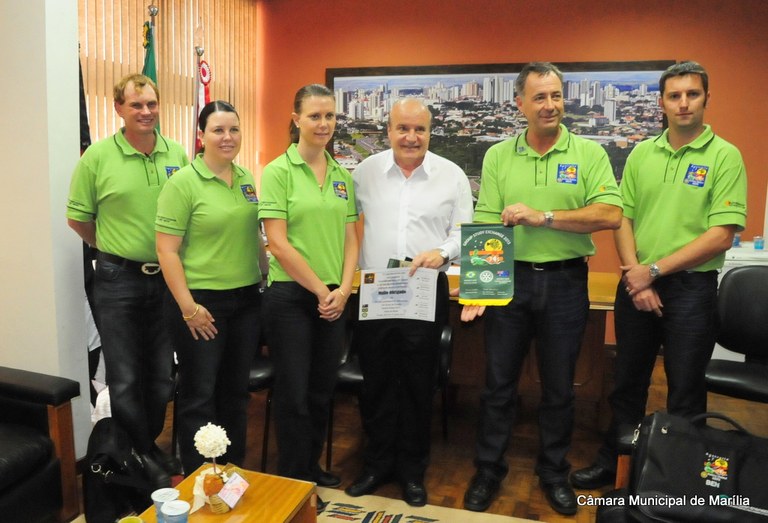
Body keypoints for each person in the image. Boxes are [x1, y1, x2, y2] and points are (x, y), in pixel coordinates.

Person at [571, 61, 748, 490]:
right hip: (636, 282)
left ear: (707, 98)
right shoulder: (641, 153)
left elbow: (721, 235)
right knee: (627, 382)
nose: (684, 102)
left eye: (692, 94)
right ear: (661, 103)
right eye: (674, 95)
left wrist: (652, 271)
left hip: (690, 288)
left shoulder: (725, 156)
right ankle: (616, 462)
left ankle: (676, 481)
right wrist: (636, 276)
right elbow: (622, 218)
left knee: (684, 390)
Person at [461, 62, 623, 516]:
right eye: (539, 97)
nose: (550, 105)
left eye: (556, 95)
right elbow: (487, 221)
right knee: (497, 385)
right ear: (520, 104)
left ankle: (553, 472)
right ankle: (488, 470)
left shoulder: (589, 154)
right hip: (510, 281)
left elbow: (610, 214)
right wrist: (479, 285)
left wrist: (544, 216)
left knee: (559, 388)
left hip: (566, 281)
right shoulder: (498, 155)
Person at [345, 98, 474, 507]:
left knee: (418, 384)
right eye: (403, 128)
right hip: (376, 289)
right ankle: (376, 464)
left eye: (419, 129)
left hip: (424, 289)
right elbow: (342, 223)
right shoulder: (364, 173)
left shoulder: (451, 176)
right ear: (389, 130)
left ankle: (412, 471)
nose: (411, 137)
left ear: (430, 132)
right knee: (377, 382)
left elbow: (465, 232)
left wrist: (443, 252)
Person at [66, 73, 189, 488]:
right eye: (136, 105)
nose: (146, 112)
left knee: (159, 375)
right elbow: (78, 218)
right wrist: (113, 247)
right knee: (124, 376)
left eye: (152, 104)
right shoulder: (97, 157)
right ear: (118, 108)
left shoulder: (177, 154)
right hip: (118, 279)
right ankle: (140, 456)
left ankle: (146, 447)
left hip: (167, 280)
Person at [259, 84, 359, 507]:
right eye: (315, 116)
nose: (324, 124)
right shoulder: (277, 172)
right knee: (294, 393)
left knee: (322, 390)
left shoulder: (341, 175)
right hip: (291, 299)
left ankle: (312, 467)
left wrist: (346, 287)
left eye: (330, 116)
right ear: (296, 119)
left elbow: (353, 237)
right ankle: (295, 482)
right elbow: (277, 243)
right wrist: (322, 289)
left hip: (333, 301)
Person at [156, 100, 265, 474]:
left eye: (234, 129)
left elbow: (255, 238)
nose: (227, 137)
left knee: (236, 392)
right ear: (201, 136)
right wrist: (189, 308)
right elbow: (166, 251)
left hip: (247, 300)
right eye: (218, 130)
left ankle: (231, 472)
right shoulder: (182, 183)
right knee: (199, 395)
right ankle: (200, 475)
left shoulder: (247, 178)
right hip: (200, 303)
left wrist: (267, 278)